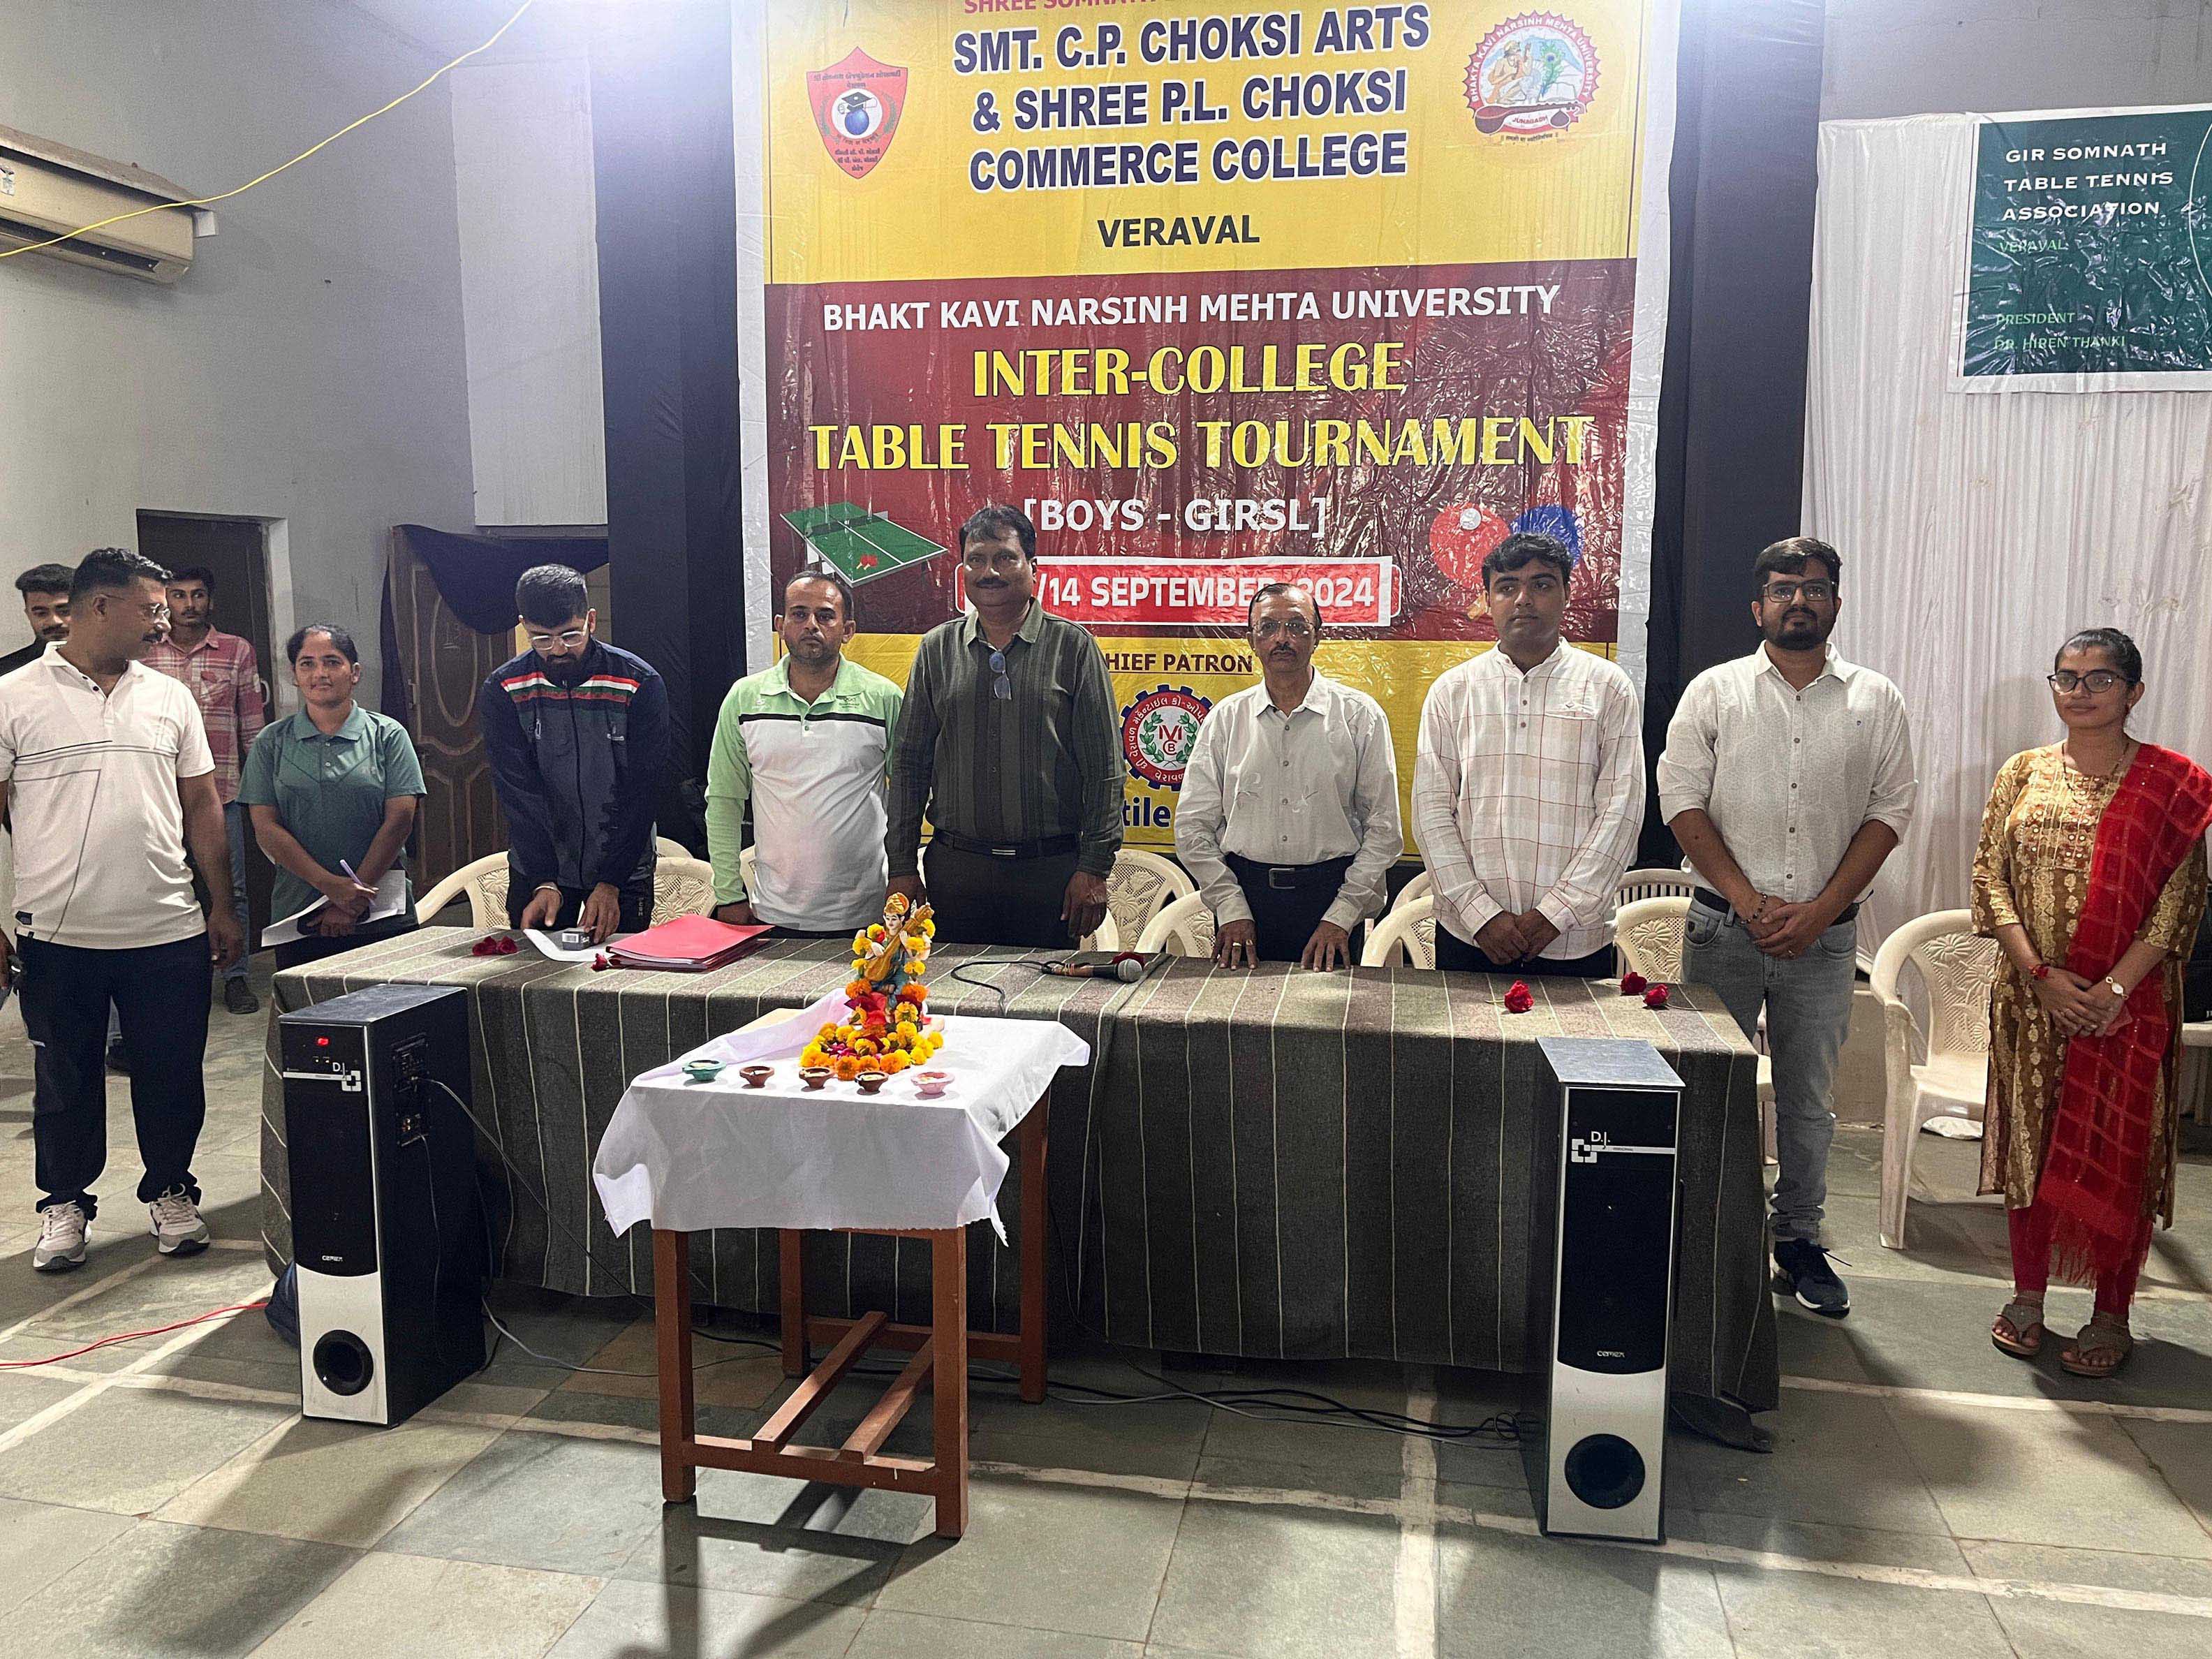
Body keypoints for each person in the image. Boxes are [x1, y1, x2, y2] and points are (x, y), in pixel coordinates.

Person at [1658, 537, 1915, 1318]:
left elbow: (1889, 812)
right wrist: (1750, 898)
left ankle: (1797, 1240)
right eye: (1781, 588)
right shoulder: (1715, 691)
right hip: (1722, 929)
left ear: (1836, 601)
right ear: (1757, 606)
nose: (1797, 600)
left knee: (1808, 1100)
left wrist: (1820, 909)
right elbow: (1679, 799)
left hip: (1826, 939)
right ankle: (1703, 1234)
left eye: (1813, 588)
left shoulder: (1878, 699)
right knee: (1710, 1091)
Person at [0, 549, 244, 1272]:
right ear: (100, 607)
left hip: (166, 929)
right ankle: (65, 1204)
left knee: (172, 1073)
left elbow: (201, 802)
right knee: (66, 1078)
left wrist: (221, 905)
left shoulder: (167, 697)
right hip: (58, 934)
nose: (162, 621)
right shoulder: (15, 694)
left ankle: (171, 1189)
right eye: (151, 608)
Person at [1975, 628, 2209, 1378]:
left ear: (2134, 693)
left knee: (2122, 1155)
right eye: (2067, 677)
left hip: (2127, 1013)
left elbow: (2179, 904)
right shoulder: (2022, 774)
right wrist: (2040, 974)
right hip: (2032, 999)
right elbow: (1989, 880)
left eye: (2100, 679)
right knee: (2029, 1145)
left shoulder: (2173, 787)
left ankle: (2112, 1311)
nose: (2079, 691)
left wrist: (2111, 991)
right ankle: (2028, 1297)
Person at [886, 505, 1124, 947]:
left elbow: (1105, 770)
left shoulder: (1073, 647)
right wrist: (901, 866)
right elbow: (909, 766)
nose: (988, 571)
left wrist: (1093, 868)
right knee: (950, 1007)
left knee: (1041, 1003)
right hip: (956, 873)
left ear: (1033, 568)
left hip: (1049, 874)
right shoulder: (938, 649)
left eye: (1004, 558)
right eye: (975, 559)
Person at [1411, 531, 1643, 977]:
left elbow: (1621, 813)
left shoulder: (1609, 688)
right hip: (1469, 936)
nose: (1524, 599)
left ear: (1566, 595)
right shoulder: (1454, 691)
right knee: (1464, 1050)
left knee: (1572, 1051)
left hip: (1575, 939)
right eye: (1507, 586)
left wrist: (1555, 914)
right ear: (1488, 600)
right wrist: (1481, 916)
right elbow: (1431, 813)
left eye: (1541, 584)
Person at [1176, 582, 1401, 968]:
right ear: (1251, 640)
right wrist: (1231, 907)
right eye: (1268, 627)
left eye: (1296, 626)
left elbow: (1384, 831)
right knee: (1234, 1022)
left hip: (1331, 901)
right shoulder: (1226, 721)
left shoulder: (1359, 717)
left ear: (1318, 636)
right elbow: (1192, 828)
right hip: (1244, 901)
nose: (1282, 639)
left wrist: (1341, 917)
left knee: (1331, 1023)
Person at [478, 565, 670, 942]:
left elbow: (644, 792)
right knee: (533, 973)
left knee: (620, 973)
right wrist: (542, 879)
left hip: (623, 864)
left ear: (591, 620)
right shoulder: (505, 688)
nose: (559, 650)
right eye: (542, 640)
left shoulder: (638, 683)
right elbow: (518, 792)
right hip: (540, 865)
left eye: (570, 635)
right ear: (523, 627)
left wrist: (611, 882)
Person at [707, 566, 903, 936]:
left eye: (826, 615)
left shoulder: (883, 698)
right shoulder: (744, 699)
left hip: (868, 917)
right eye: (799, 614)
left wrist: (903, 879)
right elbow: (724, 799)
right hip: (771, 916)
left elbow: (909, 798)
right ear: (781, 625)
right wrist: (729, 894)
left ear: (847, 631)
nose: (811, 624)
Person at [240, 625, 426, 970]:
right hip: (300, 911)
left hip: (380, 908)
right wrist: (328, 886)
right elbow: (265, 827)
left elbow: (400, 819)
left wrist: (352, 897)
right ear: (294, 675)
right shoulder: (272, 742)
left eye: (332, 662)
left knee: (391, 1014)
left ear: (354, 673)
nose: (320, 673)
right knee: (311, 1018)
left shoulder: (387, 735)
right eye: (306, 664)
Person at [144, 564, 267, 1015]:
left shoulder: (237, 651)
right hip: (159, 797)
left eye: (197, 595)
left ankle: (235, 978)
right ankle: (180, 981)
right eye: (178, 596)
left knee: (230, 890)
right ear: (165, 601)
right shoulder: (146, 654)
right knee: (166, 890)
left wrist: (260, 797)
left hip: (224, 793)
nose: (188, 605)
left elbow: (253, 725)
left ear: (210, 601)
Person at [0, 563, 73, 677]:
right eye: (41, 613)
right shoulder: (5, 673)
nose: (54, 621)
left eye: (65, 611)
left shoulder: (109, 668)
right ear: (29, 615)